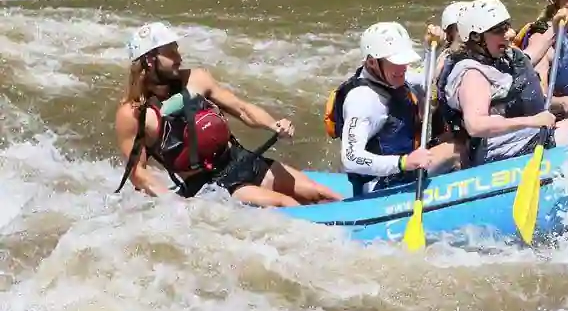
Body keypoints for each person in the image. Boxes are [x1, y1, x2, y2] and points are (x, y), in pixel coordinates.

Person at [114, 22, 343, 207]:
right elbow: (138, 173)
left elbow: (242, 109)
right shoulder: (133, 114)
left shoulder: (196, 79)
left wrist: (274, 125)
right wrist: (172, 202)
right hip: (212, 186)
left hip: (241, 159)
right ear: (149, 60)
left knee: (320, 193)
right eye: (171, 53)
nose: (179, 58)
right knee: (286, 204)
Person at [438, 0, 568, 165]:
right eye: (499, 31)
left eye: (507, 27)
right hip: (497, 149)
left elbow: (530, 56)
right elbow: (476, 125)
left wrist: (555, 28)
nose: (510, 34)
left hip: (518, 137)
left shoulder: (499, 58)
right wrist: (533, 121)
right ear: (477, 37)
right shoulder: (473, 75)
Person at [325, 21, 463, 192]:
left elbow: (427, 84)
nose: (403, 68)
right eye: (396, 62)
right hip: (379, 186)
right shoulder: (362, 100)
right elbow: (351, 158)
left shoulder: (389, 77)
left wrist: (430, 50)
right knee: (457, 148)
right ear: (372, 62)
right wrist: (403, 162)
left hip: (399, 171)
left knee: (451, 137)